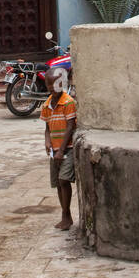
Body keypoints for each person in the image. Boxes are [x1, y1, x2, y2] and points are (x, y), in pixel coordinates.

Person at [41, 68, 77, 231]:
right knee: (57, 183)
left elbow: (70, 127)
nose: (51, 87)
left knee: (64, 180)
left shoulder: (68, 102)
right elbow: (47, 127)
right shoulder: (47, 104)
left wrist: (62, 150)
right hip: (54, 150)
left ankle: (66, 213)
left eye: (54, 83)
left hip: (66, 148)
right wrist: (47, 141)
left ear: (61, 83)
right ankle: (65, 213)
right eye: (48, 83)